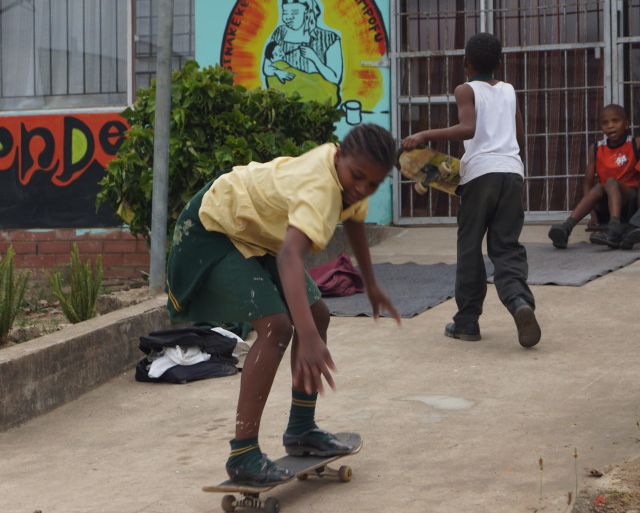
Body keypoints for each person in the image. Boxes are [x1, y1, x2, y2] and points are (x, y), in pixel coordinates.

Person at [165, 123, 400, 485]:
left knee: (317, 313)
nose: (362, 189)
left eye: (373, 184)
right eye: (357, 178)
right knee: (278, 326)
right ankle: (242, 453)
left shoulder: (351, 176)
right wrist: (305, 338)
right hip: (214, 227)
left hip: (255, 232)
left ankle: (301, 430)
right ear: (339, 156)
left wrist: (371, 283)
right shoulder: (320, 188)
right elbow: (291, 254)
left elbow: (354, 222)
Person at [401, 32, 540, 348]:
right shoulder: (509, 90)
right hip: (511, 172)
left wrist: (424, 134)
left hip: (480, 177)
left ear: (465, 63)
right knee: (506, 247)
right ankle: (520, 302)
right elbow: (517, 135)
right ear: (498, 62)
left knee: (470, 247)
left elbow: (469, 128)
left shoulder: (465, 89)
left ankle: (466, 322)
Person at [548, 104, 640, 249]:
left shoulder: (634, 144)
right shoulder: (596, 148)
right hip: (607, 205)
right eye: (605, 123)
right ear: (600, 127)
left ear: (626, 124)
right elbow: (587, 182)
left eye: (616, 121)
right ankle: (566, 227)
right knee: (598, 187)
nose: (610, 126)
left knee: (610, 182)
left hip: (630, 203)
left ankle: (614, 228)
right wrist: (592, 213)